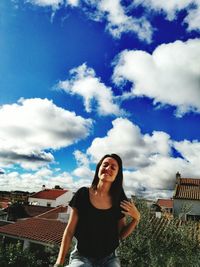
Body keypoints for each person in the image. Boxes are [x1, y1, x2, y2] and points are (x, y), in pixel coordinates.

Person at [54, 153, 140, 267]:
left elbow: (120, 235)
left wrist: (136, 219)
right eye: (105, 165)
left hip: (109, 258)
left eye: (113, 167)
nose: (108, 168)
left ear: (117, 175)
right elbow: (69, 231)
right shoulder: (82, 194)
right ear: (98, 168)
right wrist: (59, 263)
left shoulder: (119, 200)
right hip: (82, 256)